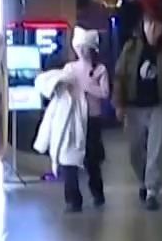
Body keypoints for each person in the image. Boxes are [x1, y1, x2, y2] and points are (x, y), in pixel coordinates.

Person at [33, 28, 108, 212]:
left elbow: (105, 93)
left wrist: (88, 87)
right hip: (72, 121)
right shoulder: (70, 69)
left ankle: (97, 193)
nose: (82, 51)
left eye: (86, 47)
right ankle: (73, 200)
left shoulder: (100, 70)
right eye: (79, 47)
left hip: (92, 120)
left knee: (91, 161)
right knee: (69, 159)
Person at [114, 10, 162, 210]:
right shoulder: (131, 48)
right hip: (134, 107)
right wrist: (119, 103)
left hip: (159, 106)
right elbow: (119, 76)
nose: (152, 29)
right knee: (135, 152)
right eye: (148, 24)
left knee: (155, 149)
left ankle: (152, 190)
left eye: (156, 25)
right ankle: (144, 180)